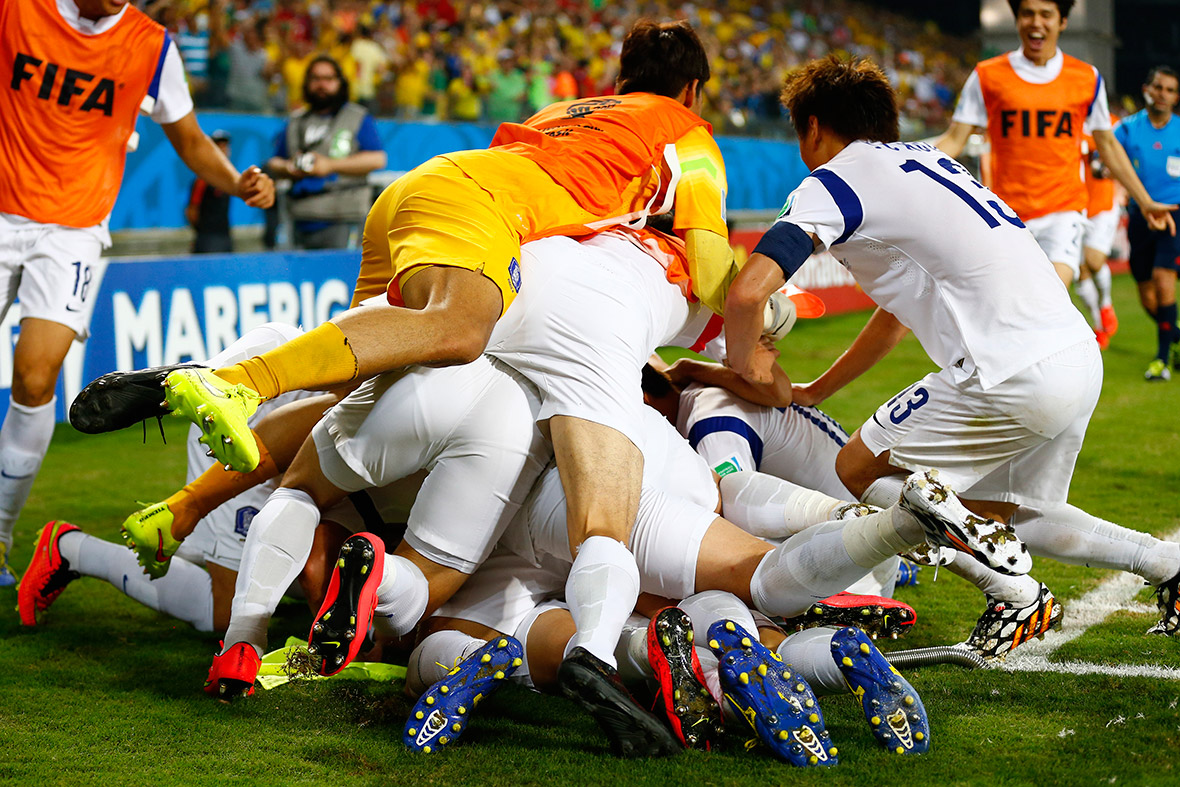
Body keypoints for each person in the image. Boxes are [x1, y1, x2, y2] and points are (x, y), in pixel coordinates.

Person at [73, 20, 740, 739]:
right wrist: (772, 304)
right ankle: (589, 648)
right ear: (695, 89)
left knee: (346, 391)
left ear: (616, 79)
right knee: (459, 342)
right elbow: (710, 271)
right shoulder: (687, 136)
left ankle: (193, 521)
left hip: (425, 197)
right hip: (494, 258)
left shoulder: (559, 117)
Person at [725, 54, 1180, 639]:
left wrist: (746, 369)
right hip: (1075, 353)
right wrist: (818, 389)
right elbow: (893, 320)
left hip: (1007, 370)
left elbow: (747, 293)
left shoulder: (834, 181)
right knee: (1020, 518)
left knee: (857, 467)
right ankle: (1166, 563)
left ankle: (1013, 592)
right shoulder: (928, 159)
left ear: (812, 127)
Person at [0, 0, 273, 585]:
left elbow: (191, 139)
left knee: (34, 378)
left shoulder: (150, 47)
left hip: (72, 230)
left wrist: (236, 182)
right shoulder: (17, 13)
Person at [935, 0, 1175, 295]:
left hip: (1062, 212)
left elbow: (1109, 146)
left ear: (1062, 21)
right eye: (1028, 14)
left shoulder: (1086, 78)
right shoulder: (987, 75)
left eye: (1046, 15)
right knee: (1006, 304)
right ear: (1017, 19)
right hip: (1003, 213)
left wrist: (1145, 200)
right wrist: (903, 163)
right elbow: (954, 139)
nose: (1036, 22)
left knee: (1049, 297)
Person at [267, 55, 386, 250]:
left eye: (328, 79)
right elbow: (274, 162)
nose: (321, 85)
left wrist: (330, 166)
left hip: (343, 216)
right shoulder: (296, 120)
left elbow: (378, 159)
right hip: (298, 217)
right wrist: (289, 167)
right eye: (315, 79)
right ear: (306, 83)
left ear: (340, 83)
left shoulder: (357, 117)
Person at [1114, 66, 1180, 381]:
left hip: (1173, 215)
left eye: (1170, 90)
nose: (1163, 94)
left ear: (1176, 97)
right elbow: (1106, 158)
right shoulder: (1126, 129)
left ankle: (1161, 361)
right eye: (1158, 87)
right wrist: (1101, 169)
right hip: (1139, 214)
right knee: (1147, 296)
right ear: (1147, 89)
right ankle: (1176, 337)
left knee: (1164, 279)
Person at [1075, 132, 1120, 348]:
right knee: (1078, 270)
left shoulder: (1110, 123)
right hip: (1073, 205)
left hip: (1102, 205)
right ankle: (1098, 324)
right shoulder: (1064, 118)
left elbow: (1121, 157)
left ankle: (1106, 302)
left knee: (1093, 261)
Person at [187, 130, 235, 253]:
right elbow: (192, 211)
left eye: (225, 146)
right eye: (219, 146)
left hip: (225, 237)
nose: (223, 149)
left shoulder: (229, 178)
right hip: (208, 239)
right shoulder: (203, 178)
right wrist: (202, 233)